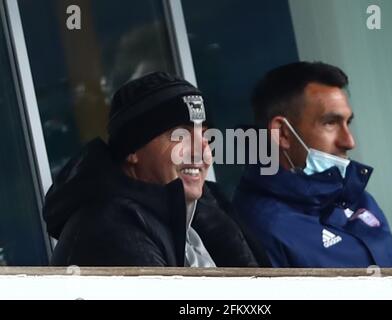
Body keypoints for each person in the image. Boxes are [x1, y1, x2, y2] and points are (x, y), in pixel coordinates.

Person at [43, 71, 269, 267]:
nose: (203, 151)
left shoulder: (199, 210)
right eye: (181, 134)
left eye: (206, 135)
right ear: (132, 148)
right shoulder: (109, 227)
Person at [233, 61, 392, 267]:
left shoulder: (359, 199)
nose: (349, 141)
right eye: (330, 123)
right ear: (283, 134)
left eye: (347, 123)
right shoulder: (258, 226)